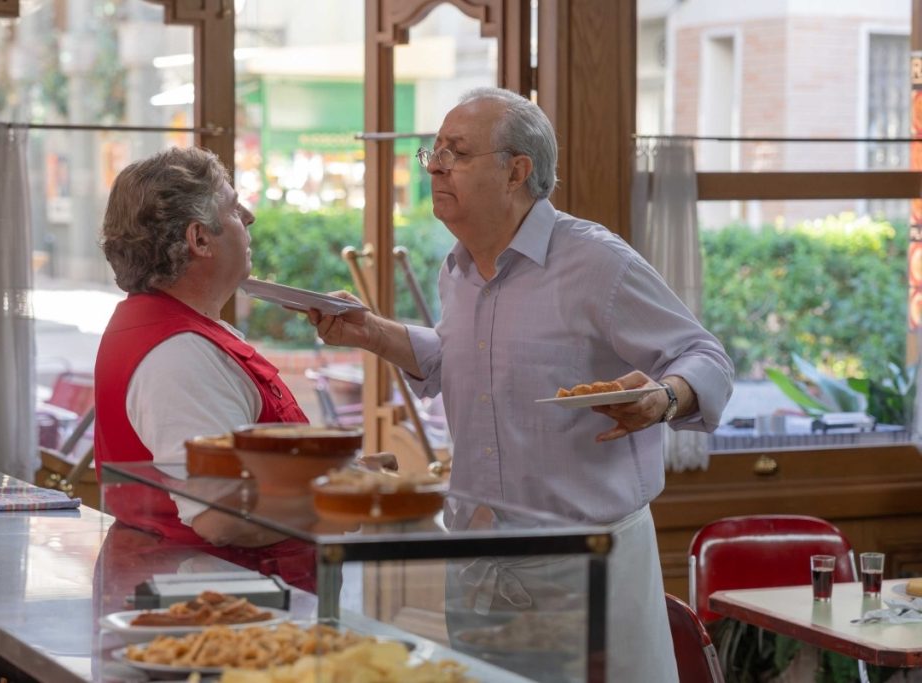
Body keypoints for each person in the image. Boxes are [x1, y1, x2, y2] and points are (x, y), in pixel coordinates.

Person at [308, 87, 734, 681]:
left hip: (584, 566)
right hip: (478, 563)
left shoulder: (597, 263)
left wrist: (664, 399)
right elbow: (462, 360)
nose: (434, 166)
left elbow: (705, 356)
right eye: (432, 152)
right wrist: (371, 332)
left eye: (455, 152)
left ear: (516, 170)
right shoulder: (457, 268)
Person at [94, 146, 317, 590]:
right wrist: (342, 499)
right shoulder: (178, 354)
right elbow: (220, 516)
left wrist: (338, 475)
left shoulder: (176, 331)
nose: (249, 218)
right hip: (220, 611)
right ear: (199, 240)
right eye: (234, 209)